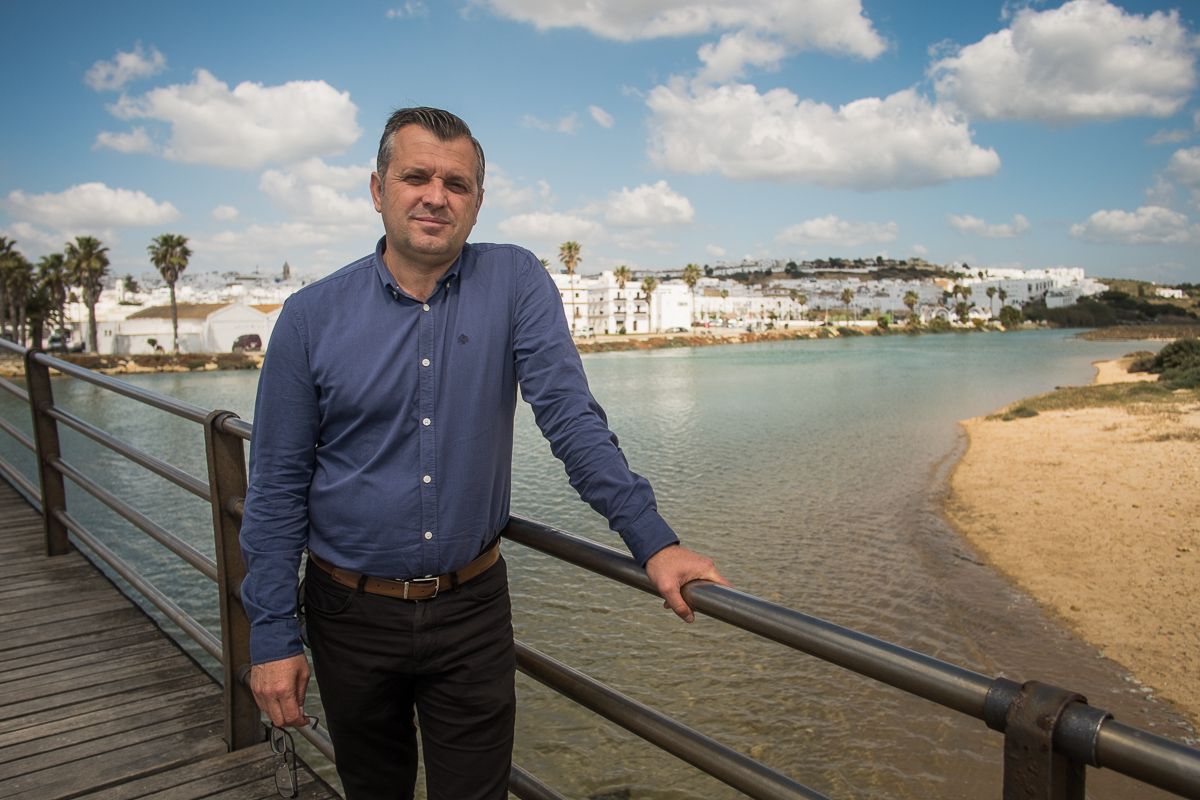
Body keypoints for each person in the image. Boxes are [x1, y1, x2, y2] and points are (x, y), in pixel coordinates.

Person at [239, 106, 728, 800]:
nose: (436, 195)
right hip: (348, 613)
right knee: (372, 789)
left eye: (456, 183)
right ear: (378, 190)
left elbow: (570, 419)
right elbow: (278, 485)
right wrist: (272, 635)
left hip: (470, 611)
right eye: (415, 177)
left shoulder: (516, 281)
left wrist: (653, 541)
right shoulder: (311, 316)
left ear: (476, 203)